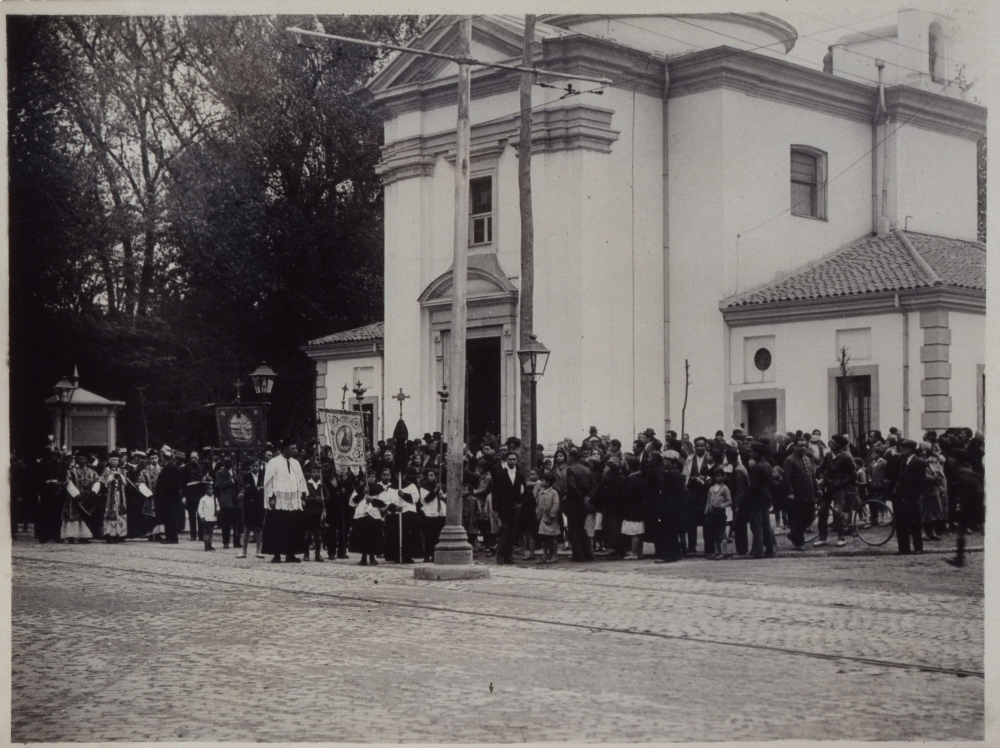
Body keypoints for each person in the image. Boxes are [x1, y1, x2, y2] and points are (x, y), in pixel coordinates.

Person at [262, 440, 308, 563]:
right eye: (293, 448)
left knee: (292, 528)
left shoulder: (296, 463)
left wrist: (302, 496)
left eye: (295, 448)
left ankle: (290, 554)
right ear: (285, 449)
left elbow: (301, 480)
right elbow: (269, 481)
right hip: (279, 501)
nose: (295, 451)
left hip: (293, 501)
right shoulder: (274, 462)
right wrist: (271, 497)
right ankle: (276, 554)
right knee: (278, 528)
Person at [818, 434, 857, 547]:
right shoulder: (829, 456)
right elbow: (821, 469)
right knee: (822, 511)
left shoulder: (846, 457)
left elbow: (852, 475)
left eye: (832, 442)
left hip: (840, 489)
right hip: (829, 487)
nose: (830, 443)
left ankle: (842, 537)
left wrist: (840, 482)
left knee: (838, 512)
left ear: (839, 444)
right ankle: (822, 537)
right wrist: (822, 478)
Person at [892, 439, 929, 555]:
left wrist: (914, 495)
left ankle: (918, 548)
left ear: (910, 449)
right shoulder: (902, 460)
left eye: (904, 448)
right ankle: (903, 548)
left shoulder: (919, 462)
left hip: (912, 497)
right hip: (900, 496)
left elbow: (922, 481)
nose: (902, 450)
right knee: (901, 523)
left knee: (915, 522)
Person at [492, 451, 527, 565]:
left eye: (514, 459)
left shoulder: (519, 474)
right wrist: (495, 508)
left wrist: (520, 502)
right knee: (504, 531)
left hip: (515, 507)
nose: (512, 461)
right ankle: (500, 555)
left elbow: (524, 489)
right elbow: (495, 492)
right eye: (510, 459)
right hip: (503, 507)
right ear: (506, 460)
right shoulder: (501, 473)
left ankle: (509, 556)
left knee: (512, 532)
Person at [783, 437, 818, 550]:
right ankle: (799, 542)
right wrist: (790, 492)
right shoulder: (789, 460)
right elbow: (787, 478)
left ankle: (794, 534)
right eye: (800, 446)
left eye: (805, 446)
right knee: (798, 518)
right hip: (797, 495)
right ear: (794, 446)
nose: (803, 448)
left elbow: (812, 476)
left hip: (809, 494)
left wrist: (817, 489)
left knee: (811, 516)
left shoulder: (807, 459)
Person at [563, 448, 595, 562]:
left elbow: (571, 486)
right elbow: (594, 486)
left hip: (574, 503)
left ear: (571, 457)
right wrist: (587, 497)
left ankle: (578, 554)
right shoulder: (587, 469)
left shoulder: (571, 469)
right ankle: (588, 553)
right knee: (581, 528)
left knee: (574, 529)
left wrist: (581, 498)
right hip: (584, 503)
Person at [682, 438, 712, 555]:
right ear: (694, 447)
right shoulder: (690, 459)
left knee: (706, 520)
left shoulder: (709, 458)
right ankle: (691, 545)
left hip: (705, 493)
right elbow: (686, 475)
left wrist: (706, 479)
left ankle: (708, 547)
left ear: (705, 446)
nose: (700, 448)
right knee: (691, 520)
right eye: (698, 446)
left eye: (702, 446)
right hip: (693, 493)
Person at [746, 442, 775, 559]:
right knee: (766, 526)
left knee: (756, 526)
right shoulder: (767, 464)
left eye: (752, 451)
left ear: (757, 453)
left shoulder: (757, 467)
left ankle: (758, 550)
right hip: (765, 498)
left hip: (757, 500)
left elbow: (754, 486)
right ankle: (769, 549)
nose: (750, 453)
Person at [62, 453, 98, 542]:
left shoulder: (91, 471)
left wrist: (94, 490)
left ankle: (84, 536)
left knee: (85, 516)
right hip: (74, 497)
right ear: (77, 459)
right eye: (80, 458)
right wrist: (75, 494)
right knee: (73, 517)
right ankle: (71, 536)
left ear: (87, 460)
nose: (82, 460)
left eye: (84, 458)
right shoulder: (71, 471)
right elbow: (68, 482)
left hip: (87, 497)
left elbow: (98, 480)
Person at [96, 450, 129, 542]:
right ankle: (109, 534)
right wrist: (110, 478)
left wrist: (121, 477)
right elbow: (102, 482)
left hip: (120, 494)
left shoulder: (121, 470)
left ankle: (120, 533)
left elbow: (126, 483)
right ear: (110, 461)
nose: (115, 462)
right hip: (109, 495)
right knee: (110, 513)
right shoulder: (106, 470)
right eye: (113, 460)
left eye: (117, 460)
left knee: (120, 513)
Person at [155, 447, 185, 544]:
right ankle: (169, 536)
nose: (161, 460)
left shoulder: (172, 468)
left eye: (162, 458)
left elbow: (172, 484)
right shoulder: (170, 467)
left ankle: (172, 538)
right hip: (168, 497)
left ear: (165, 459)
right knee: (168, 517)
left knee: (171, 518)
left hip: (170, 498)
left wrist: (162, 492)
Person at [418, 468, 447, 563]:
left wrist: (442, 497)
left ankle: (435, 554)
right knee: (428, 535)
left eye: (432, 475)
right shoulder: (424, 487)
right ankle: (427, 555)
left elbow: (446, 499)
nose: (429, 477)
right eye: (428, 475)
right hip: (429, 512)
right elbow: (426, 499)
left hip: (439, 513)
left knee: (436, 535)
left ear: (436, 477)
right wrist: (435, 491)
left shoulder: (442, 487)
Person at [239, 457, 265, 559]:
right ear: (250, 467)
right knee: (247, 528)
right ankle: (244, 551)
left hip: (259, 505)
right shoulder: (246, 477)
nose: (255, 468)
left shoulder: (263, 476)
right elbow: (248, 490)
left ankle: (258, 550)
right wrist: (258, 489)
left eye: (257, 466)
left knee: (258, 528)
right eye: (253, 466)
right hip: (249, 506)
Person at [620, 454, 646, 560]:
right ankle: (639, 552)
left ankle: (634, 553)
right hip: (639, 507)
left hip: (632, 508)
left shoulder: (632, 479)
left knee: (633, 531)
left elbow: (629, 494)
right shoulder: (640, 477)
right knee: (639, 530)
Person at [704, 468, 732, 559]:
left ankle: (724, 552)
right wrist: (706, 512)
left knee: (722, 531)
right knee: (714, 532)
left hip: (720, 513)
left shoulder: (725, 488)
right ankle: (717, 551)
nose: (719, 478)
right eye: (717, 476)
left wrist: (721, 506)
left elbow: (729, 501)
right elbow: (708, 501)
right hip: (712, 514)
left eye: (721, 476)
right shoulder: (711, 489)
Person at [214, 458, 242, 550]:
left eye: (231, 461)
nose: (229, 463)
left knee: (237, 522)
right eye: (227, 462)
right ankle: (226, 541)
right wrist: (233, 481)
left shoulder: (236, 472)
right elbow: (221, 485)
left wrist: (241, 493)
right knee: (226, 523)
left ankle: (236, 541)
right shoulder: (219, 472)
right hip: (226, 500)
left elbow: (242, 485)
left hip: (236, 500)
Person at [182, 450, 209, 541]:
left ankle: (201, 535)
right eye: (191, 458)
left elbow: (205, 480)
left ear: (198, 458)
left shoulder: (202, 468)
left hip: (200, 494)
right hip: (190, 495)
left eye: (195, 457)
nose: (193, 459)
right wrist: (184, 496)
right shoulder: (186, 469)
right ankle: (193, 535)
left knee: (201, 515)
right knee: (192, 516)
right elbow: (183, 483)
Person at [535, 472, 561, 564]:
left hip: (551, 519)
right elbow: (537, 504)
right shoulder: (540, 492)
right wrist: (538, 514)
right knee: (544, 538)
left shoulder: (554, 492)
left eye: (543, 480)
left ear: (548, 482)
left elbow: (556, 505)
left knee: (552, 538)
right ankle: (544, 555)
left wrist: (551, 516)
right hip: (542, 518)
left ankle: (554, 556)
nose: (541, 482)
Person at [302, 463, 326, 561]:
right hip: (309, 511)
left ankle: (317, 554)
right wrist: (313, 499)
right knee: (308, 533)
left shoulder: (322, 485)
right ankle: (306, 554)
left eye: (318, 472)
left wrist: (323, 498)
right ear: (311, 473)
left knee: (317, 533)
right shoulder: (307, 484)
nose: (316, 474)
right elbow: (304, 497)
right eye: (314, 472)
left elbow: (328, 497)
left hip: (318, 512)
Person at [197, 482, 219, 551]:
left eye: (212, 489)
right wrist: (202, 517)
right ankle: (206, 544)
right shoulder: (203, 499)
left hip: (212, 517)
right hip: (206, 518)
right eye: (209, 489)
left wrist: (218, 510)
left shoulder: (215, 498)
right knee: (206, 531)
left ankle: (210, 543)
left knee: (211, 531)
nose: (211, 490)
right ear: (206, 491)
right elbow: (200, 509)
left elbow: (217, 505)